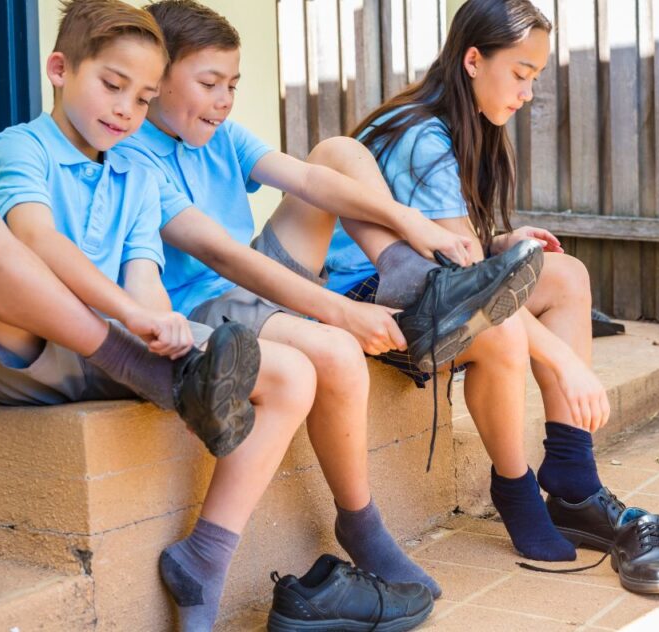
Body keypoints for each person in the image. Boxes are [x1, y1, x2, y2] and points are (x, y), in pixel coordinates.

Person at [114, 1, 544, 624]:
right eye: (208, 85)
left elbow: (309, 182)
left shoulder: (221, 136)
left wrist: (406, 221)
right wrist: (337, 310)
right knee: (339, 354)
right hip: (203, 303)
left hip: (255, 286)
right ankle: (359, 525)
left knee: (338, 152)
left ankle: (410, 277)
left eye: (232, 85)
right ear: (157, 80)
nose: (224, 100)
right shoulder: (138, 156)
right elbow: (224, 257)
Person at [0, 2, 318, 629]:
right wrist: (132, 321)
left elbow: (144, 269)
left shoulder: (138, 167)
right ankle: (157, 377)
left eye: (144, 98)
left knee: (294, 375)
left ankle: (206, 556)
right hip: (29, 351)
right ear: (59, 69)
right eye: (112, 85)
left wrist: (165, 328)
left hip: (120, 349)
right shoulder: (21, 147)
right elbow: (39, 242)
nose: (126, 110)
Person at [326, 0, 655, 565]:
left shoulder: (464, 123)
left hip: (430, 285)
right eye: (521, 74)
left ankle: (573, 476)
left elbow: (455, 250)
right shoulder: (421, 135)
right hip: (371, 294)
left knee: (568, 276)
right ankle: (516, 488)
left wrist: (498, 240)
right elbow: (469, 287)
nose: (527, 93)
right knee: (501, 331)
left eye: (535, 78)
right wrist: (566, 363)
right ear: (473, 60)